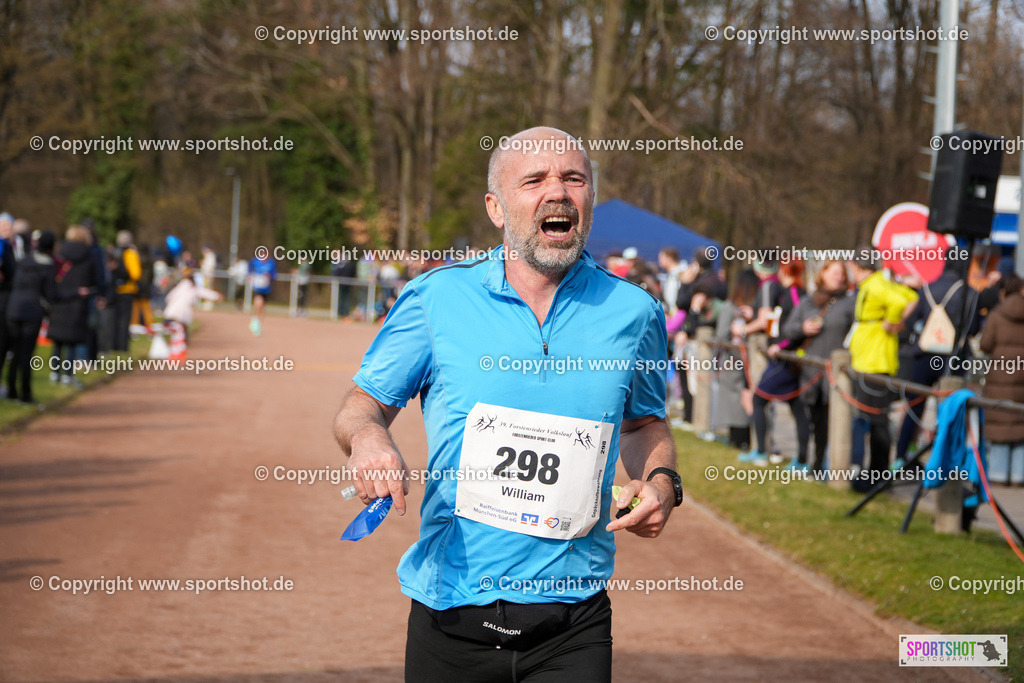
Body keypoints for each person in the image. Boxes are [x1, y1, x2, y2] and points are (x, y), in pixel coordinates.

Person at [334, 126, 680, 682]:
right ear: (496, 207)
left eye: (574, 178)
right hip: (451, 616)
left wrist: (662, 483)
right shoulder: (436, 299)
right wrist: (371, 439)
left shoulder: (634, 312)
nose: (559, 192)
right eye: (535, 180)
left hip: (574, 626)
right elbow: (361, 404)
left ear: (589, 198)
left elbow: (643, 422)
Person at [894, 249, 978, 470]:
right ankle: (944, 463)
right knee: (950, 413)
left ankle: (901, 458)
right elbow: (974, 327)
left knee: (914, 407)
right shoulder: (969, 293)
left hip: (924, 356)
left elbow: (913, 321)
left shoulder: (928, 288)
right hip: (954, 358)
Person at [846, 248, 918, 491]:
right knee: (876, 418)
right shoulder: (879, 282)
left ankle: (877, 475)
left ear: (856, 266)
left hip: (874, 360)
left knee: (876, 419)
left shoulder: (875, 285)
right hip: (873, 357)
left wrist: (892, 322)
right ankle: (877, 473)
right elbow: (910, 296)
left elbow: (900, 301)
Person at [781, 260, 855, 473]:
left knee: (834, 422)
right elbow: (788, 329)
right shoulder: (808, 302)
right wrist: (802, 328)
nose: (838, 277)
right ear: (822, 274)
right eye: (834, 273)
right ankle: (808, 460)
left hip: (836, 373)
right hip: (810, 373)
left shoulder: (850, 303)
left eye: (842, 274)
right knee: (814, 420)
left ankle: (827, 466)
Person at [739, 258, 809, 468]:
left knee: (759, 399)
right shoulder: (787, 291)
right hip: (782, 354)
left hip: (788, 357)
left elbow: (798, 325)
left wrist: (781, 345)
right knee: (796, 406)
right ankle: (802, 459)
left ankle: (762, 451)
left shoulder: (795, 292)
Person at [6, 231, 62, 404]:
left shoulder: (24, 261)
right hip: (32, 311)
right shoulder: (47, 265)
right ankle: (25, 394)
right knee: (26, 354)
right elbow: (51, 293)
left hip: (13, 308)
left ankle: (11, 391)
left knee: (15, 351)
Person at [979, 272, 1024, 486]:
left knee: (999, 421)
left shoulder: (997, 315)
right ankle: (1018, 475)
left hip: (1000, 376)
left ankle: (997, 474)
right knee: (1020, 423)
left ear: (1004, 292)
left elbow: (985, 344)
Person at [48, 226, 98, 388]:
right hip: (79, 300)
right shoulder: (89, 255)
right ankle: (68, 375)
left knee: (58, 340)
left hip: (60, 299)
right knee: (72, 341)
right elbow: (95, 278)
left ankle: (54, 372)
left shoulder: (60, 254)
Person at [714, 269, 759, 449]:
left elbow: (720, 336)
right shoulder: (730, 307)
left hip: (746, 362)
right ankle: (738, 440)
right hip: (733, 362)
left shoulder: (753, 309)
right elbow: (722, 336)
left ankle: (746, 440)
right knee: (735, 403)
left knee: (741, 402)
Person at [111, 230, 142, 351]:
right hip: (127, 289)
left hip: (115, 289)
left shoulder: (114, 252)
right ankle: (123, 346)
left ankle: (114, 345)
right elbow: (136, 274)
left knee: (115, 318)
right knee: (125, 319)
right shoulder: (131, 254)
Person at [0, 214, 18, 397]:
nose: (7, 230)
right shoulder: (2, 245)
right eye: (3, 227)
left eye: (9, 227)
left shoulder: (8, 246)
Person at [248, 251, 276, 335]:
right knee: (258, 303)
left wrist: (269, 276)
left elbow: (274, 274)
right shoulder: (255, 261)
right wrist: (250, 276)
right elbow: (249, 269)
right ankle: (255, 322)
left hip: (266, 288)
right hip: (258, 287)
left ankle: (257, 323)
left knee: (262, 307)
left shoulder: (271, 263)